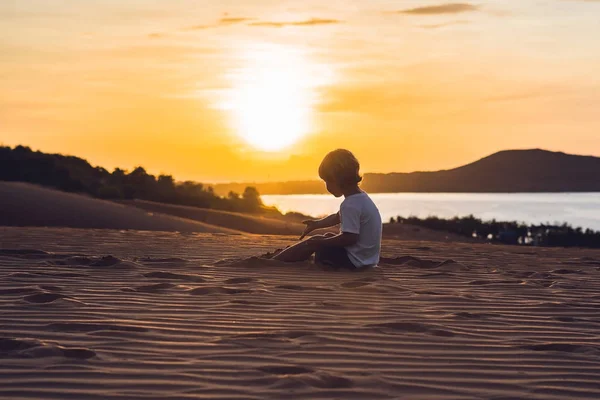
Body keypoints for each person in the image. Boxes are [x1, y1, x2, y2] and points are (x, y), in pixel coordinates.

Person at [273, 149, 382, 269]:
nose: (326, 186)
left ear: (339, 179)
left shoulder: (350, 205)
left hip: (353, 262)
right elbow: (337, 217)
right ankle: (287, 256)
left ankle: (275, 262)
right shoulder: (361, 198)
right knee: (327, 236)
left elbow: (350, 238)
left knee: (316, 241)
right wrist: (317, 224)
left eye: (327, 181)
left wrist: (319, 242)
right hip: (366, 259)